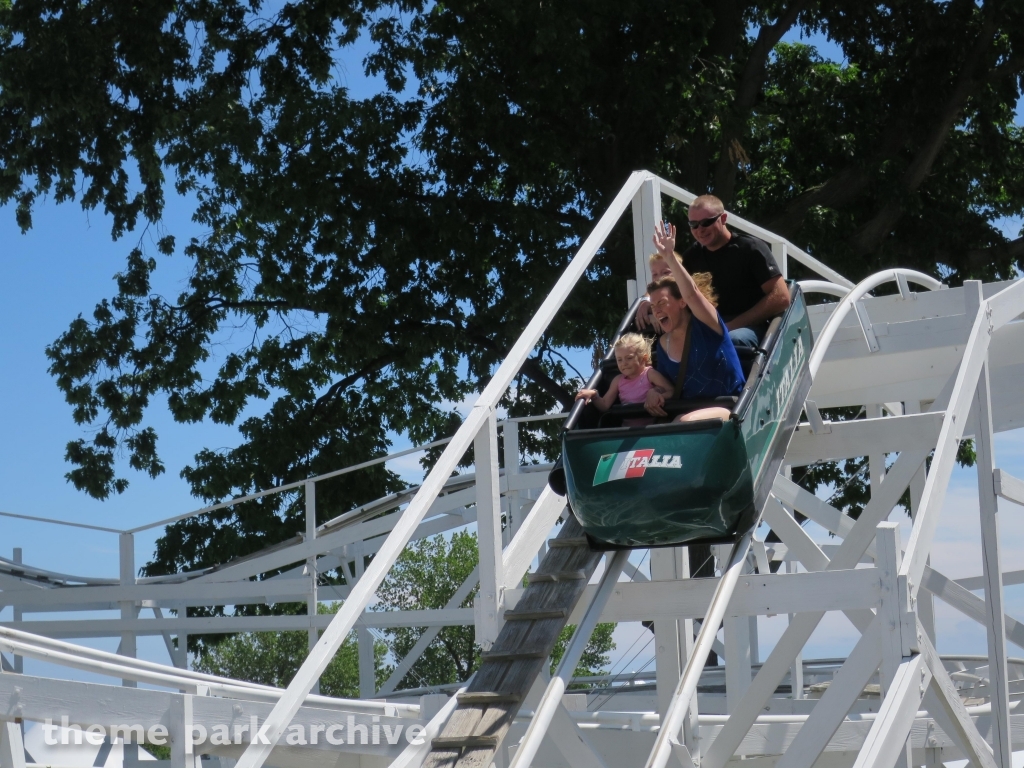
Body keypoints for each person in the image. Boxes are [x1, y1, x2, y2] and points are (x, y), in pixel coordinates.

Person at [644, 225, 745, 422]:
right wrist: (654, 393)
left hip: (730, 409)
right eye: (653, 306)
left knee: (683, 422)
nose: (656, 310)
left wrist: (669, 256)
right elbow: (669, 389)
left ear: (682, 302)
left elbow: (692, 294)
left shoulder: (707, 324)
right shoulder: (663, 344)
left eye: (662, 303)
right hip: (687, 414)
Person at [678, 195, 790, 349]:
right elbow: (669, 286)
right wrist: (646, 300)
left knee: (731, 340)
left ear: (723, 218)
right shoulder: (691, 257)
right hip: (711, 328)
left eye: (706, 222)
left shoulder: (750, 248)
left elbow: (781, 297)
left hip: (749, 328)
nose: (700, 230)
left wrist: (730, 326)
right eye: (693, 224)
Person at [576, 333, 672, 425]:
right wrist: (594, 395)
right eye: (619, 360)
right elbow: (604, 405)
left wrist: (658, 396)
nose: (624, 363)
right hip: (627, 430)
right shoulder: (618, 380)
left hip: (653, 427)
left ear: (643, 358)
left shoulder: (650, 374)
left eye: (629, 358)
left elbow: (671, 391)